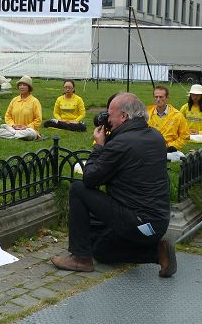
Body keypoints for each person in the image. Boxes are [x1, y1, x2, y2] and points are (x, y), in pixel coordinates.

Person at [51, 93, 176, 278]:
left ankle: (80, 258)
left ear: (124, 116)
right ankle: (157, 252)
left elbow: (90, 179)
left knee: (78, 190)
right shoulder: (155, 136)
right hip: (157, 223)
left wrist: (99, 146)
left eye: (110, 115)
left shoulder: (121, 143)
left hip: (136, 221)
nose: (107, 119)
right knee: (102, 251)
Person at [0, 75, 42, 141]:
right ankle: (16, 134)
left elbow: (38, 119)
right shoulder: (14, 100)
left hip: (28, 130)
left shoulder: (34, 101)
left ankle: (14, 134)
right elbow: (8, 116)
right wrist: (13, 125)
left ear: (29, 87)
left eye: (24, 85)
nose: (22, 87)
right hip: (14, 128)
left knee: (31, 133)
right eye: (20, 85)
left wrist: (26, 127)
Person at [147, 86, 190, 152]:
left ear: (167, 98)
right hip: (150, 148)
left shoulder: (178, 116)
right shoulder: (146, 114)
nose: (158, 99)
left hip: (170, 150)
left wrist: (170, 146)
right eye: (156, 97)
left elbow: (185, 137)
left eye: (161, 97)